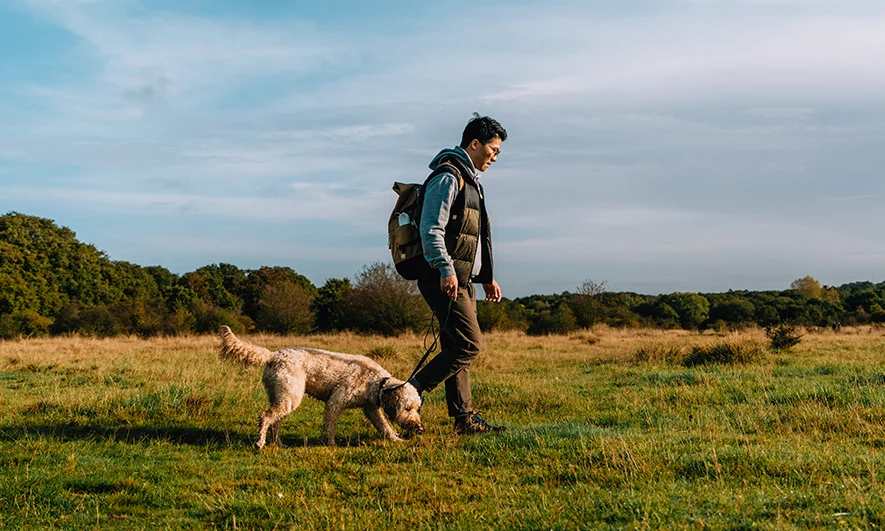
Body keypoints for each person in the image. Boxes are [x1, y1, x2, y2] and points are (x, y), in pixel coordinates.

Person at [407, 114, 507, 435]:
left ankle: (463, 419)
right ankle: (407, 392)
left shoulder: (470, 179)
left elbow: (476, 237)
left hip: (463, 279)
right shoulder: (448, 177)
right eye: (492, 149)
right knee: (469, 344)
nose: (495, 156)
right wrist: (445, 268)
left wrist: (487, 275)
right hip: (444, 277)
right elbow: (430, 228)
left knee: (456, 345)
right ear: (474, 144)